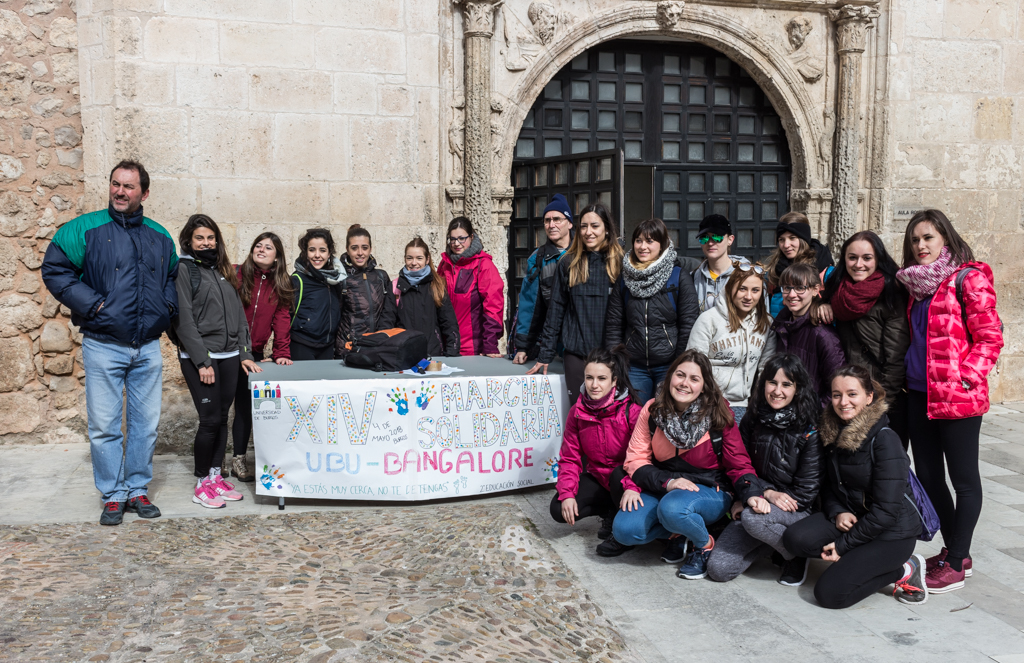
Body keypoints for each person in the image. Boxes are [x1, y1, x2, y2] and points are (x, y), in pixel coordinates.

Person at [41, 160, 178, 526]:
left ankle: (137, 489)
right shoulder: (84, 229)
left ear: (144, 193)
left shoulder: (160, 235)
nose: (120, 191)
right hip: (103, 344)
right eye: (116, 184)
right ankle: (113, 494)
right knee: (104, 426)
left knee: (145, 425)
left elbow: (172, 277)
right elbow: (55, 269)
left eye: (129, 186)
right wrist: (94, 305)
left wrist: (166, 308)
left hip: (147, 346)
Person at [896, 209, 1003, 593]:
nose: (921, 245)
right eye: (915, 239)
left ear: (945, 237)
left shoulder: (967, 279)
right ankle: (957, 551)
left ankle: (956, 562)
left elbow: (990, 337)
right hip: (919, 393)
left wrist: (966, 377)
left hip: (957, 398)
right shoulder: (915, 285)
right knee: (928, 476)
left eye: (928, 237)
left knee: (964, 480)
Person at [783, 366, 927, 609]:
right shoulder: (832, 431)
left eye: (852, 394)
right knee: (795, 539)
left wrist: (843, 545)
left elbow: (886, 512)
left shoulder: (886, 440)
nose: (843, 402)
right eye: (836, 395)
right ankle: (858, 561)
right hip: (854, 519)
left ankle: (905, 568)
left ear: (869, 397)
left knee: (829, 594)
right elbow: (828, 486)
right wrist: (838, 511)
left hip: (891, 533)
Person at [612, 350, 762, 579]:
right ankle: (681, 532)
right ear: (670, 376)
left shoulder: (719, 415)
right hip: (664, 484)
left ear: (704, 386)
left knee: (672, 508)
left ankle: (703, 544)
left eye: (694, 379)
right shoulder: (652, 411)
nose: (684, 383)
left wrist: (751, 494)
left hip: (710, 488)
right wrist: (668, 482)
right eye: (680, 375)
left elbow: (738, 463)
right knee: (625, 531)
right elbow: (636, 459)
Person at [706, 354, 822, 586]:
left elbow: (806, 493)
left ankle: (796, 554)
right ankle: (772, 545)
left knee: (753, 520)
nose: (777, 391)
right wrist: (751, 495)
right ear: (763, 384)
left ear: (797, 389)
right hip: (757, 500)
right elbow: (737, 466)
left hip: (795, 509)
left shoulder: (809, 429)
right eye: (772, 382)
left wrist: (761, 498)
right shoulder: (753, 418)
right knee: (718, 569)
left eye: (786, 384)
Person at [170, 215, 260, 509]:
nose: (206, 243)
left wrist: (245, 353)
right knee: (209, 420)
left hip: (230, 356)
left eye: (210, 238)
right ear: (189, 241)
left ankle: (214, 477)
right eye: (200, 238)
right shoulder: (184, 270)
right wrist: (202, 361)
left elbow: (239, 317)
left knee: (222, 418)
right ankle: (200, 484)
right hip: (202, 358)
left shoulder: (223, 270)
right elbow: (183, 320)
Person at [818, 230, 910, 447]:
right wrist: (819, 305)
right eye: (852, 257)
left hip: (879, 397)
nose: (859, 264)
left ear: (878, 259)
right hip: (848, 396)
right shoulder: (838, 290)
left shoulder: (891, 294)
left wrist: (878, 404)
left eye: (867, 258)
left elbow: (896, 359)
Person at [550, 346, 643, 557]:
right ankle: (610, 511)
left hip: (628, 480)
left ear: (614, 380)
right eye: (589, 378)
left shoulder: (632, 412)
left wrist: (632, 487)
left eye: (601, 378)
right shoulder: (577, 411)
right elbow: (570, 457)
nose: (594, 385)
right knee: (558, 509)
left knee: (618, 474)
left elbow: (642, 458)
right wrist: (567, 493)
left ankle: (621, 529)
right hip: (599, 478)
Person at [528, 203, 625, 405]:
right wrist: (545, 355)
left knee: (610, 415)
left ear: (607, 229)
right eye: (584, 226)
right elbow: (555, 311)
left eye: (595, 226)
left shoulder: (620, 263)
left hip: (611, 354)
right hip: (576, 355)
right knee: (580, 412)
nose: (588, 232)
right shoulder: (568, 263)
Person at [606, 218, 700, 404]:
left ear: (662, 244)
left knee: (665, 415)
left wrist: (679, 364)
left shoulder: (678, 276)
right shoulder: (624, 278)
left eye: (650, 241)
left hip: (669, 365)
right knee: (634, 415)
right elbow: (614, 324)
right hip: (634, 367)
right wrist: (617, 362)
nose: (643, 247)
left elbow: (689, 323)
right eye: (638, 240)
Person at [230, 232, 294, 482]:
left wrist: (281, 353)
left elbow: (282, 319)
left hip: (254, 353)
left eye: (268, 247)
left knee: (245, 408)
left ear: (277, 257)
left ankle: (238, 459)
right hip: (228, 350)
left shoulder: (281, 283)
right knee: (220, 408)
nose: (262, 250)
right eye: (258, 245)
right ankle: (215, 462)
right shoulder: (236, 274)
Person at [687, 262, 776, 421]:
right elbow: (693, 365)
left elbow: (765, 369)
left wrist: (758, 404)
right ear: (730, 288)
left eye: (755, 290)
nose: (748, 296)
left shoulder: (766, 324)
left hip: (742, 404)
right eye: (742, 289)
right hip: (707, 402)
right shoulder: (709, 320)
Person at [773, 263, 845, 407]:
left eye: (800, 288)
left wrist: (812, 413)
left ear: (815, 290)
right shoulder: (781, 325)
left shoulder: (824, 335)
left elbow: (838, 386)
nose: (792, 295)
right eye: (787, 288)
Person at [511, 194, 573, 362]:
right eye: (547, 220)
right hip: (552, 342)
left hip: (582, 341)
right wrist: (523, 347)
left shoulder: (585, 254)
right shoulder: (537, 258)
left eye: (557, 219)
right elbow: (529, 304)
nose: (551, 225)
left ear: (569, 223)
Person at [438, 217, 504, 357]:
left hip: (473, 348)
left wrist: (490, 345)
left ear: (471, 237)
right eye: (452, 239)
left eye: (462, 238)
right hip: (447, 345)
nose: (456, 243)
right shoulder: (444, 265)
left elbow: (493, 307)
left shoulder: (483, 265)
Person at [335, 224, 398, 356]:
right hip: (349, 348)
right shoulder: (341, 279)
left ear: (370, 249)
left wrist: (383, 337)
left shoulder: (381, 277)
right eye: (354, 248)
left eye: (364, 247)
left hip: (378, 346)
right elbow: (334, 316)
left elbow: (389, 312)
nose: (360, 253)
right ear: (347, 249)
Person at [393, 237, 460, 357]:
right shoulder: (395, 287)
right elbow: (386, 323)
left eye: (419, 258)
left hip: (433, 355)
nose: (414, 263)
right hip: (403, 356)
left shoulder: (437, 286)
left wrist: (451, 354)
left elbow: (449, 324)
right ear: (405, 259)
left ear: (427, 259)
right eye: (409, 258)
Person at [764, 212, 835, 317]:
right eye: (781, 239)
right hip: (779, 325)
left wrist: (827, 304)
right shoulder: (775, 269)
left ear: (803, 239)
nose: (786, 245)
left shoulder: (826, 271)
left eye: (792, 238)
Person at [290, 228, 345, 361]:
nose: (317, 255)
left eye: (322, 250)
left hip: (327, 346)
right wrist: (278, 351)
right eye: (312, 250)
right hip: (302, 345)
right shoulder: (298, 279)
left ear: (329, 253)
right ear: (305, 252)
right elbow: (284, 316)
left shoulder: (335, 280)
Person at [691, 214, 747, 312]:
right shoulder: (693, 278)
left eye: (717, 237)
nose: (710, 243)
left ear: (730, 240)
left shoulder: (748, 275)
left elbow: (761, 315)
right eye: (704, 238)